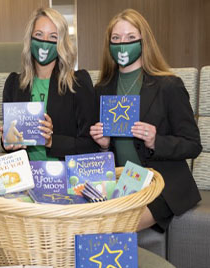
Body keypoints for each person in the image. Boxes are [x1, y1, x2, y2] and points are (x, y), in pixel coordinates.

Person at [90, 9, 202, 232]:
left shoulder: (169, 86)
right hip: (122, 183)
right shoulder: (102, 89)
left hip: (161, 184)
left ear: (144, 41)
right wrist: (103, 146)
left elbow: (193, 144)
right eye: (116, 38)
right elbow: (104, 151)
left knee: (115, 228)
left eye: (131, 38)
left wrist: (155, 141)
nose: (123, 44)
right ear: (109, 44)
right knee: (89, 222)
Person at [2, 7, 98, 160]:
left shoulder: (78, 83)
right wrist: (8, 142)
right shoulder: (14, 84)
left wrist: (52, 141)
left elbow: (91, 145)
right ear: (30, 39)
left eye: (53, 37)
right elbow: (11, 145)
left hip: (66, 177)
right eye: (39, 34)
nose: (44, 42)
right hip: (26, 178)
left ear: (62, 43)